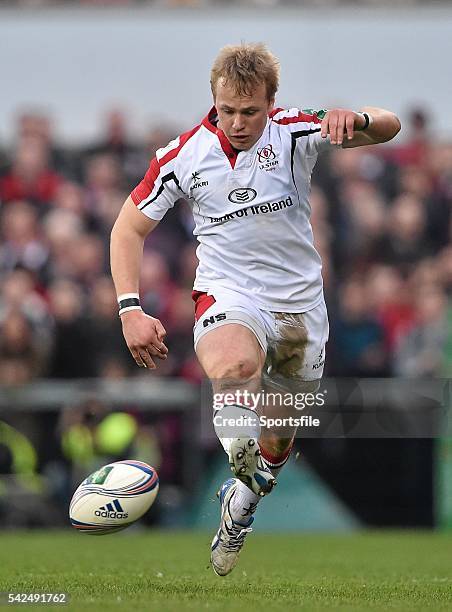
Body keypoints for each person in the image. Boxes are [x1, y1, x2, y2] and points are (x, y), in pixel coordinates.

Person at [110, 42, 401, 576]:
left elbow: (390, 125)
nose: (239, 122)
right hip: (228, 292)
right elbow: (129, 226)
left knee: (280, 438)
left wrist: (356, 118)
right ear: (213, 100)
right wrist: (130, 307)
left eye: (251, 111)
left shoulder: (296, 130)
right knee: (235, 367)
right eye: (228, 110)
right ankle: (235, 442)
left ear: (272, 103)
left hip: (299, 310)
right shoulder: (181, 156)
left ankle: (240, 502)